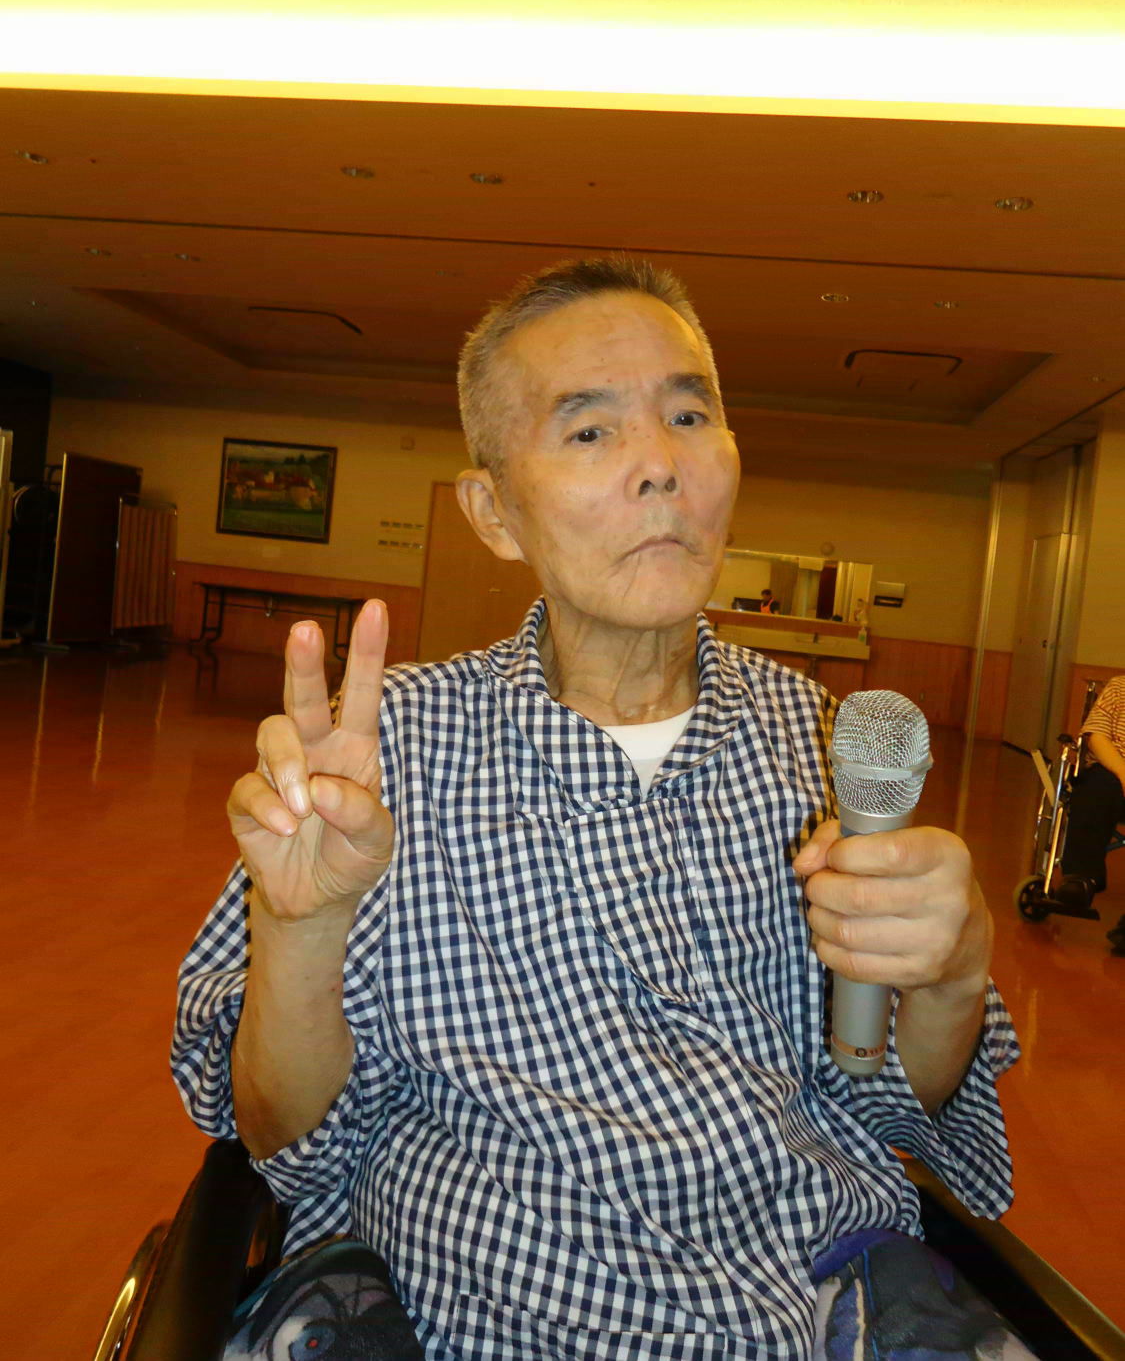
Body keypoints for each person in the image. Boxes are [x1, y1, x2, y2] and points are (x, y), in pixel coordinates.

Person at [175, 256, 1023, 1360]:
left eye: (688, 415)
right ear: (493, 512)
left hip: (823, 1300)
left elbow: (886, 1101)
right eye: (589, 431)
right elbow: (278, 1136)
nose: (660, 464)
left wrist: (952, 976)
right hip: (476, 1314)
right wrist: (301, 927)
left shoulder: (820, 741)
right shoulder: (385, 757)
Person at [1057, 675, 1125, 908]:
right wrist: (1123, 772)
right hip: (1111, 771)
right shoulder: (1119, 687)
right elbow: (1096, 736)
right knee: (1096, 787)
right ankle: (1081, 878)